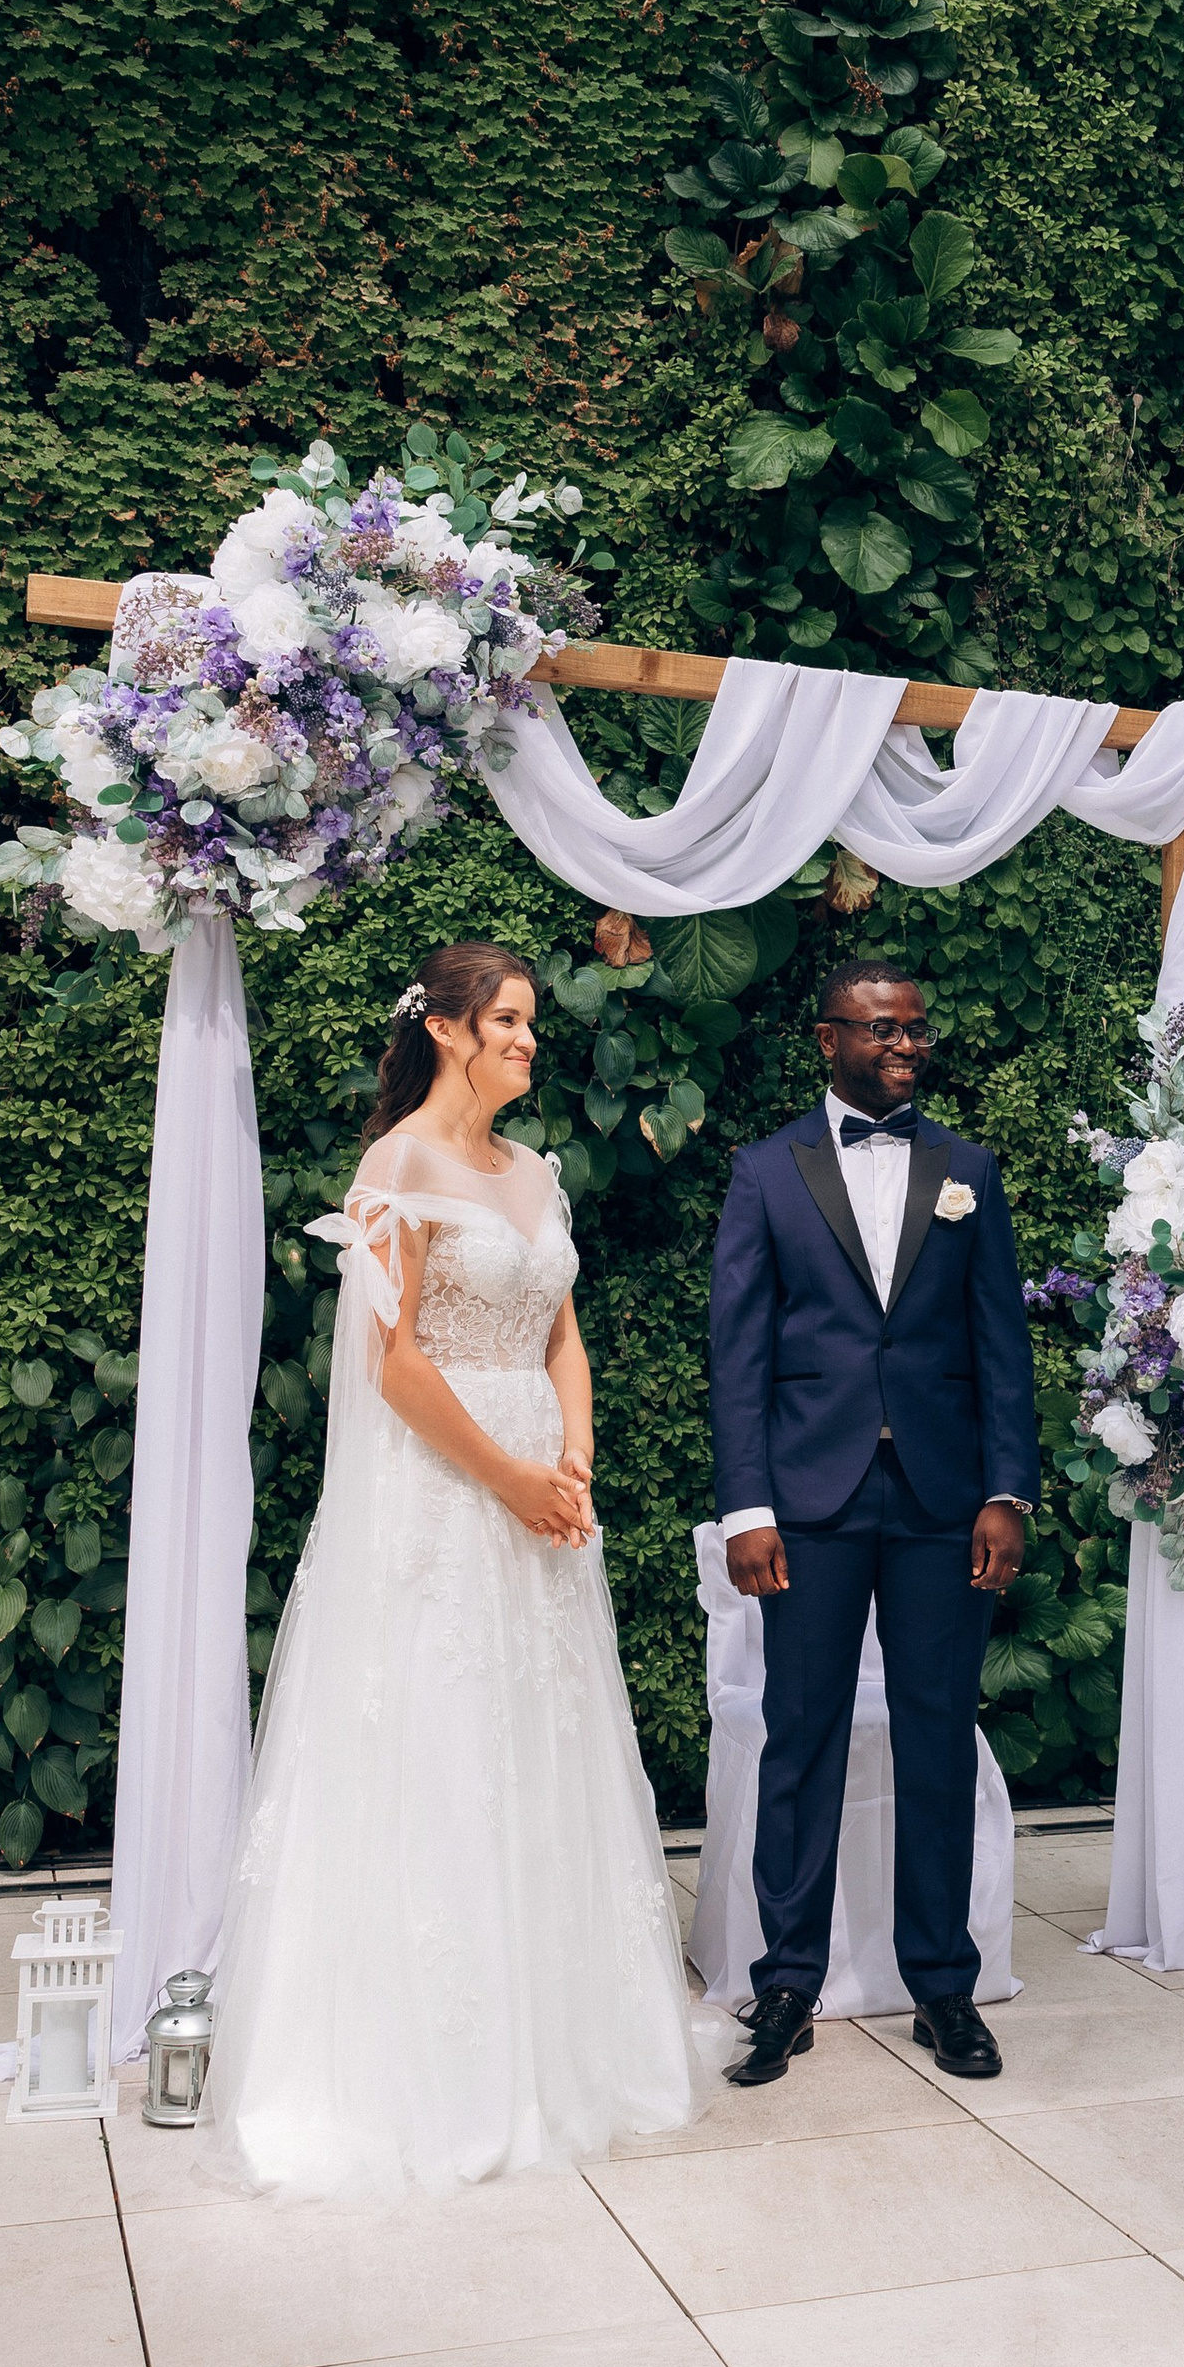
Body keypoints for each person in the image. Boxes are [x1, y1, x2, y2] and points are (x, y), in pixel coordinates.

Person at [202, 939, 703, 2198]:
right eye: (512, 1022)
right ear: (447, 1030)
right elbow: (396, 1366)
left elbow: (562, 1329)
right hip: (445, 1496)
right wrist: (512, 1476)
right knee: (444, 1750)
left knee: (544, 1751)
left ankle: (565, 2047)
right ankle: (436, 2072)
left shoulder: (537, 1172)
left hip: (543, 1499)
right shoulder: (395, 1171)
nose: (531, 1041)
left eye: (532, 1022)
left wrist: (574, 1454)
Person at [710, 955, 1038, 2087]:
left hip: (947, 1503)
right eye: (880, 1031)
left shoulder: (967, 1170)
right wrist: (746, 1507)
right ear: (827, 1040)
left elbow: (1003, 1344)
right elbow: (738, 1353)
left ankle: (942, 1986)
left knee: (939, 1737)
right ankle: (786, 1985)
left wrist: (1009, 1490)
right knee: (797, 1740)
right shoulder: (766, 1172)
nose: (904, 1047)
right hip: (807, 1504)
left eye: (915, 1030)